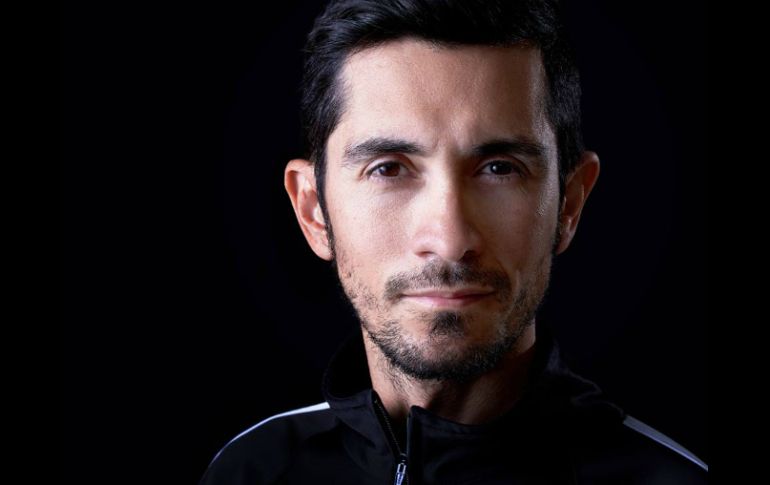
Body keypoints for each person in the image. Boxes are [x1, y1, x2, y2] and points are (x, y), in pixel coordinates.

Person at [201, 0, 708, 483]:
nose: (448, 240)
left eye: (499, 169)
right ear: (314, 211)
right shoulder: (251, 471)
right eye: (388, 169)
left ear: (568, 205)